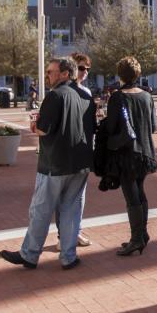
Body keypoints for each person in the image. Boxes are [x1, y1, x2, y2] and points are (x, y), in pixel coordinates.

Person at [0, 56, 92, 270]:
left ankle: (30, 254)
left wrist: (34, 124)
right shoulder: (83, 95)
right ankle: (68, 256)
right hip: (79, 163)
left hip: (54, 164)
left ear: (65, 74)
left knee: (41, 210)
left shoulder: (55, 96)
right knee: (71, 210)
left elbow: (42, 129)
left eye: (51, 72)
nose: (47, 75)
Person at [106, 56, 157, 256]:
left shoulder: (118, 97)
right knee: (139, 191)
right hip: (146, 152)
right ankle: (142, 234)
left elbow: (111, 127)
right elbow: (154, 125)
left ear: (120, 74)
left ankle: (137, 239)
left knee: (131, 196)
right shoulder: (146, 96)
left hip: (127, 153)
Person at [69, 53, 98, 249]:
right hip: (67, 152)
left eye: (87, 69)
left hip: (85, 149)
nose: (84, 72)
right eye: (81, 68)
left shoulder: (87, 92)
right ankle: (64, 236)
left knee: (79, 196)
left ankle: (75, 232)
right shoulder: (62, 91)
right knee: (63, 197)